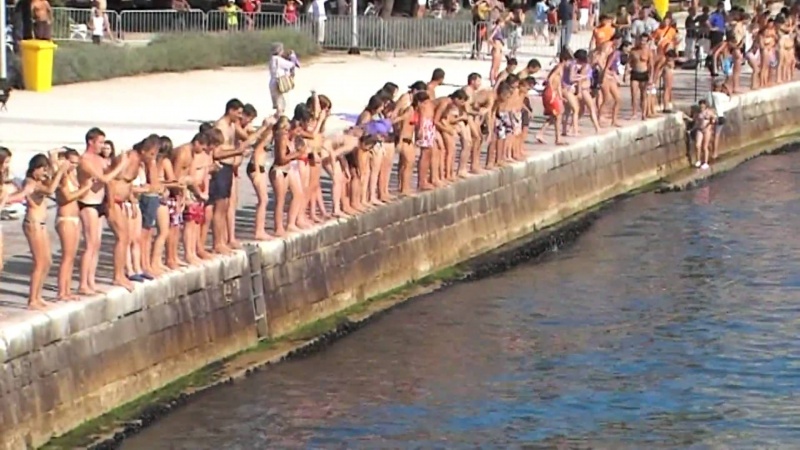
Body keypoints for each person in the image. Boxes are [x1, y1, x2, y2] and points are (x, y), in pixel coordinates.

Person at [77, 127, 127, 295]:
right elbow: (104, 179)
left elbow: (114, 176)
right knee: (90, 245)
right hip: (88, 204)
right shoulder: (84, 160)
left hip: (99, 203)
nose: (102, 145)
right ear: (90, 142)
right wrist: (120, 165)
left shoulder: (100, 159)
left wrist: (119, 163)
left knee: (96, 245)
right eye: (100, 142)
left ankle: (91, 281)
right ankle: (83, 284)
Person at [23, 154, 69, 310]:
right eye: (42, 169)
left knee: (47, 261)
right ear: (35, 168)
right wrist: (60, 171)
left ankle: (38, 296)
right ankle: (32, 300)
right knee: (39, 262)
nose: (44, 172)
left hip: (41, 224)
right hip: (33, 223)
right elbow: (50, 190)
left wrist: (56, 169)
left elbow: (58, 186)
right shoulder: (30, 182)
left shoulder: (40, 181)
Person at [55, 149, 93, 301]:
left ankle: (67, 290)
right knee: (67, 256)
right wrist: (86, 187)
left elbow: (80, 195)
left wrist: (85, 186)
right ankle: (61, 292)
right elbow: (67, 196)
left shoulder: (73, 176)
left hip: (75, 218)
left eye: (76, 163)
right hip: (65, 218)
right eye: (71, 162)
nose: (73, 166)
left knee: (72, 257)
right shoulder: (62, 176)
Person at [173, 132, 211, 265]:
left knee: (195, 221)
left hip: (186, 188)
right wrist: (182, 192)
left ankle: (192, 252)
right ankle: (188, 254)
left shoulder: (192, 153)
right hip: (181, 189)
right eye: (203, 147)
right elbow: (176, 176)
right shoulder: (183, 152)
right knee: (188, 222)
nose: (203, 151)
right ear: (197, 143)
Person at [270, 116, 308, 236]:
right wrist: (297, 154)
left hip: (286, 169)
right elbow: (281, 159)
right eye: (286, 129)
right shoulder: (281, 138)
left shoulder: (289, 139)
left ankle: (290, 224)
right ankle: (278, 227)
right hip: (279, 170)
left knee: (297, 193)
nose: (287, 132)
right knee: (280, 201)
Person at [536, 48, 571, 145]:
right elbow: (550, 79)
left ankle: (542, 133)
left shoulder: (561, 69)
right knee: (558, 115)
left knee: (556, 115)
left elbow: (558, 83)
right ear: (565, 60)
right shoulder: (559, 67)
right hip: (550, 92)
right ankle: (556, 138)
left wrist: (560, 96)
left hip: (554, 92)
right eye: (569, 61)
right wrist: (552, 92)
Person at [269, 43, 300, 117]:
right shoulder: (278, 60)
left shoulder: (272, 59)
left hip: (272, 82)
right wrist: (292, 57)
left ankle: (277, 117)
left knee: (277, 104)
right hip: (279, 83)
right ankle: (279, 119)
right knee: (281, 105)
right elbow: (290, 65)